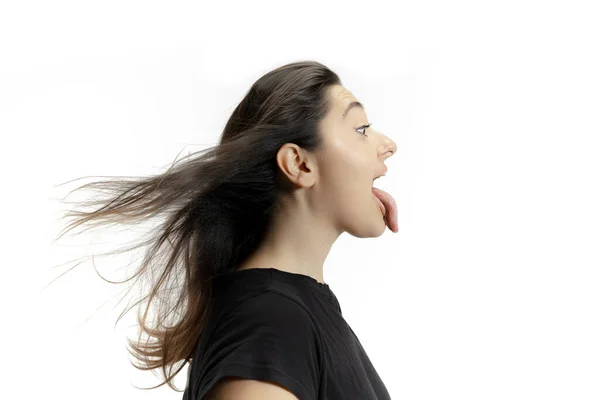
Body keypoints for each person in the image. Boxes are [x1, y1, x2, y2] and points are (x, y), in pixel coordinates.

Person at [55, 60, 398, 399]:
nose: (388, 145)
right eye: (361, 129)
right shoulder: (271, 322)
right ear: (299, 163)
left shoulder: (290, 311)